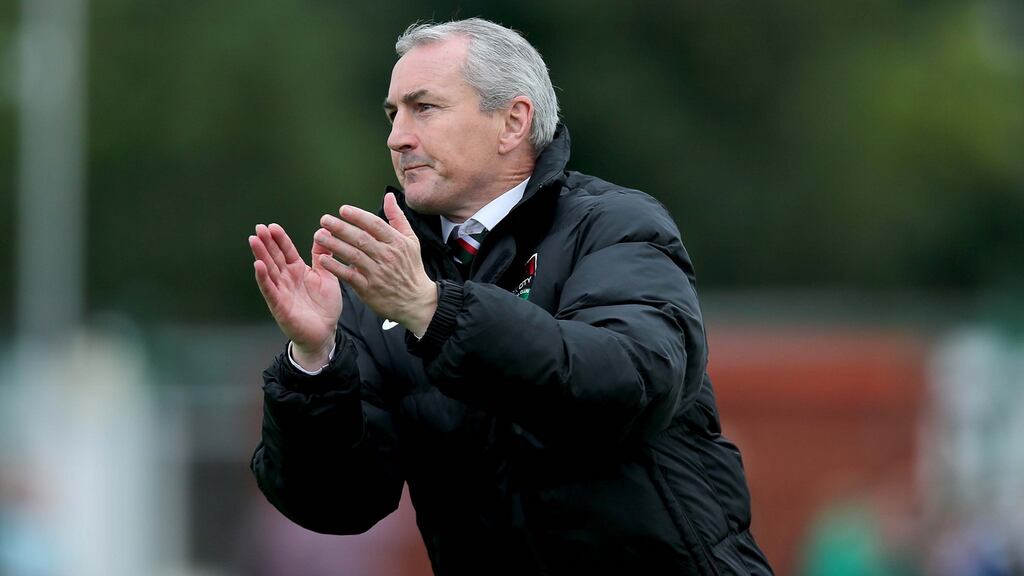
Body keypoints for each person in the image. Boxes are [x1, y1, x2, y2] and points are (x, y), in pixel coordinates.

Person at [248, 17, 773, 575]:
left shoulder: (614, 224)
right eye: (392, 113)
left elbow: (629, 382)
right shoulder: (387, 278)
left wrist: (434, 311)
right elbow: (342, 503)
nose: (397, 136)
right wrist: (315, 362)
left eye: (424, 108)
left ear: (512, 122)